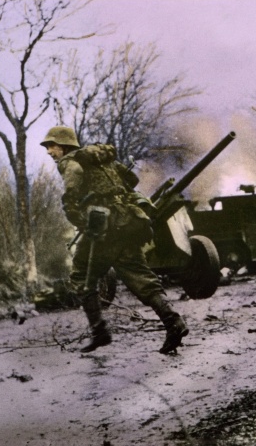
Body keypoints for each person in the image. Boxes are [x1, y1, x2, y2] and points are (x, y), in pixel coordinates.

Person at [40, 126, 189, 354]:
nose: (49, 151)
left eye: (52, 146)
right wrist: (112, 193)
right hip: (128, 222)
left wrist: (82, 220)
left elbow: (69, 199)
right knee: (141, 277)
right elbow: (131, 178)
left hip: (104, 229)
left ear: (64, 145)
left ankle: (100, 332)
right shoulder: (100, 157)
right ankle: (174, 322)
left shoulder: (70, 163)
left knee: (81, 275)